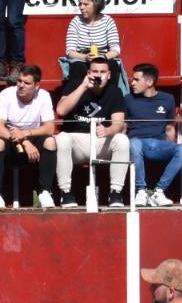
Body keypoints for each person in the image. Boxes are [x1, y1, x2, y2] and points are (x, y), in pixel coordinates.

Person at [51, 56, 129, 206]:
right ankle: (65, 193)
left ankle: (115, 193)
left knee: (122, 140)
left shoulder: (115, 91)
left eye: (102, 71)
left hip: (101, 140)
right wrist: (83, 87)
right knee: (61, 138)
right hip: (77, 141)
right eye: (95, 71)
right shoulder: (75, 84)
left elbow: (118, 123)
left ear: (109, 75)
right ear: (88, 73)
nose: (98, 75)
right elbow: (61, 110)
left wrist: (108, 130)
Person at [0, 64, 55, 209]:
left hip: (31, 138)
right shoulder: (6, 94)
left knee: (50, 142)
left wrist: (26, 134)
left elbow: (50, 128)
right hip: (11, 140)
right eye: (19, 81)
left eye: (27, 83)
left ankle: (45, 192)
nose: (21, 86)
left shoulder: (44, 96)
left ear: (36, 86)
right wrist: (23, 141)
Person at [125, 64, 182, 205]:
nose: (132, 83)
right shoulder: (128, 99)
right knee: (134, 143)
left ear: (149, 82)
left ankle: (158, 192)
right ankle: (141, 191)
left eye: (136, 80)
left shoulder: (167, 99)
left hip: (159, 144)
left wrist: (170, 147)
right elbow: (123, 127)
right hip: (137, 143)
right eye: (132, 79)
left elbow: (169, 128)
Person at [60, 0, 122, 87]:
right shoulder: (75, 22)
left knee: (113, 66)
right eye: (80, 4)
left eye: (86, 4)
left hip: (103, 59)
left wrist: (103, 57)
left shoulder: (108, 21)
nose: (81, 7)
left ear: (96, 4)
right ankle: (81, 98)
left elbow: (115, 49)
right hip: (82, 60)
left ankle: (111, 97)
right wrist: (85, 57)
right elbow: (70, 51)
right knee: (77, 67)